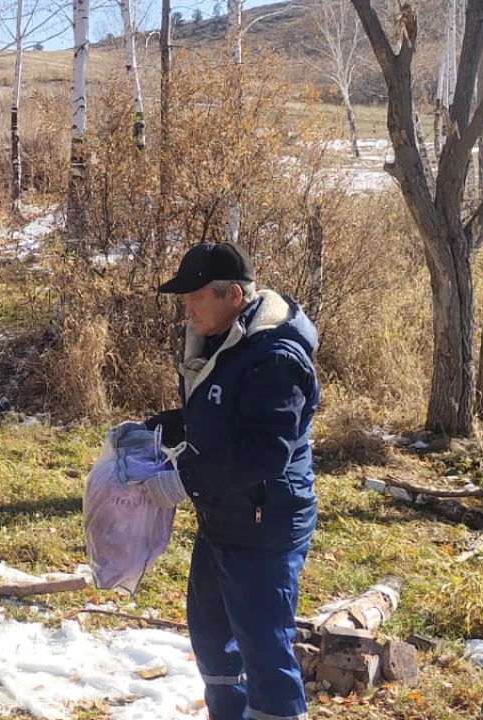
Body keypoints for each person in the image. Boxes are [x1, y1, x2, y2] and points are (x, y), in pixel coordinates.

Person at [146, 242, 319, 720]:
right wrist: (152, 431)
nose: (186, 306)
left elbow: (264, 450)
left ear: (234, 296)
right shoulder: (218, 339)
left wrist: (184, 481)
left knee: (266, 657)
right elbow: (216, 416)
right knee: (213, 643)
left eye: (194, 296)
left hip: (266, 526)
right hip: (223, 518)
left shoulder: (275, 358)